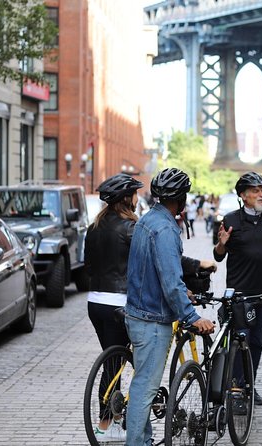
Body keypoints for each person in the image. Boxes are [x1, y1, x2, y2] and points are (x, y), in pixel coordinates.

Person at [125, 167, 216, 446]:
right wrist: (191, 316)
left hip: (139, 312)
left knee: (143, 384)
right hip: (151, 320)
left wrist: (181, 291)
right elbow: (169, 279)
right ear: (181, 198)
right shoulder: (165, 229)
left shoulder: (148, 220)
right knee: (145, 387)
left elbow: (154, 272)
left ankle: (144, 439)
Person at [213, 171, 262, 405]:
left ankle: (249, 386)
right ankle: (236, 389)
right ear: (243, 195)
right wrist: (221, 244)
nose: (261, 194)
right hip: (239, 295)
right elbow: (218, 257)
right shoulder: (230, 220)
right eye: (256, 191)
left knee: (256, 342)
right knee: (241, 340)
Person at [84, 173, 143, 442]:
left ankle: (113, 417)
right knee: (115, 363)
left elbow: (88, 267)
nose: (138, 197)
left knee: (113, 358)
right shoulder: (131, 228)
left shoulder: (93, 227)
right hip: (120, 303)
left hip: (95, 302)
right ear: (126, 199)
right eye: (135, 193)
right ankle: (106, 423)